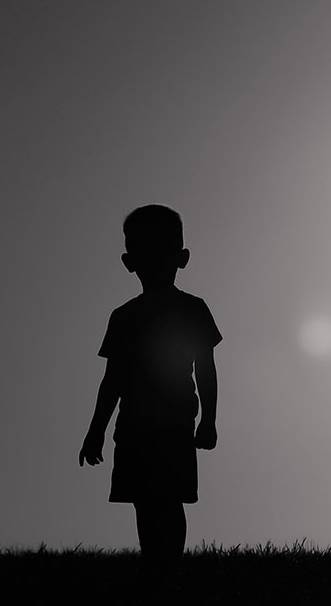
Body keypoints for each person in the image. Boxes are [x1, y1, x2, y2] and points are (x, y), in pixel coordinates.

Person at [79, 204, 221, 565]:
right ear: (130, 261)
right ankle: (156, 567)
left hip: (173, 425)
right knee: (145, 501)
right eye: (147, 252)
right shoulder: (123, 317)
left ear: (181, 257)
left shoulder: (193, 309)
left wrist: (208, 420)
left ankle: (168, 567)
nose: (154, 261)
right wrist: (96, 430)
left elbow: (206, 368)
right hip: (134, 428)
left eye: (162, 251)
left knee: (169, 500)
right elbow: (112, 380)